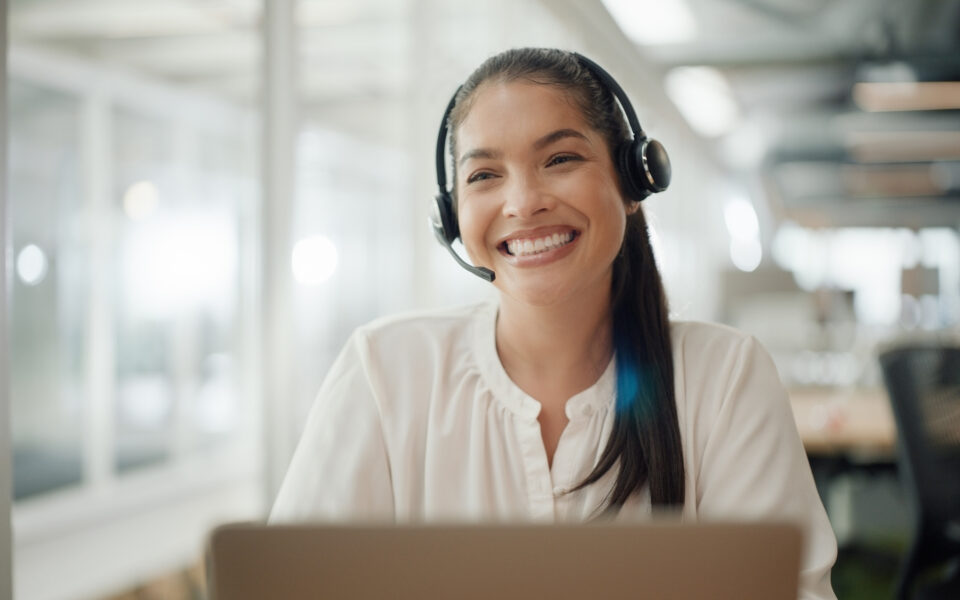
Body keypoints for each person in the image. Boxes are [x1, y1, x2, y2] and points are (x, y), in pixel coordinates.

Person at [270, 48, 837, 599]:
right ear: (451, 219)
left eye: (560, 160)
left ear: (633, 182)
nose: (522, 202)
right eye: (484, 175)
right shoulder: (383, 372)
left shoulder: (725, 378)